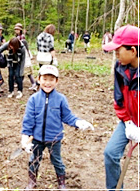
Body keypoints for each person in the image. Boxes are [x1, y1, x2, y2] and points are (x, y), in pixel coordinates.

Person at [21, 65, 94, 189]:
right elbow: (28, 120)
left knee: (57, 161)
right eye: (45, 79)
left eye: (51, 79)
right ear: (38, 79)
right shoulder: (33, 99)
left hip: (54, 138)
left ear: (57, 81)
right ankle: (32, 182)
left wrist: (78, 122)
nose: (47, 83)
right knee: (34, 160)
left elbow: (67, 116)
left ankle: (61, 182)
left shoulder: (60, 99)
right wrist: (25, 136)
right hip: (37, 138)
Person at [102, 24, 140, 190]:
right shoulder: (120, 68)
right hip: (130, 121)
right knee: (110, 153)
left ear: (133, 50)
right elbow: (118, 100)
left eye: (119, 50)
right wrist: (127, 122)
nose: (116, 54)